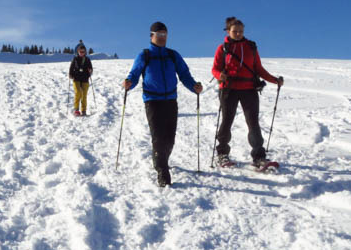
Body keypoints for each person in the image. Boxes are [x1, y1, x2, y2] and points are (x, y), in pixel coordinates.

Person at [122, 22, 203, 187]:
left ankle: (161, 159)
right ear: (151, 36)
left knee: (170, 138)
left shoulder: (173, 55)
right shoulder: (144, 55)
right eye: (159, 35)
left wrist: (194, 86)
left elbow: (184, 74)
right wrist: (129, 82)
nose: (162, 38)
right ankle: (162, 171)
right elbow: (135, 74)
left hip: (171, 100)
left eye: (165, 35)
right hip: (152, 101)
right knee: (158, 137)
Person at [211, 17, 284, 168]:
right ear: (228, 31)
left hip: (249, 89)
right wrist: (220, 76)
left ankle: (259, 157)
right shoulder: (223, 48)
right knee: (227, 121)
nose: (238, 34)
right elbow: (215, 69)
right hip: (228, 89)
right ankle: (222, 154)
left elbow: (258, 69)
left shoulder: (251, 47)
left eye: (241, 31)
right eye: (235, 31)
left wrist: (274, 80)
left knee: (253, 123)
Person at [69, 40, 93, 116]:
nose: (82, 53)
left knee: (84, 95)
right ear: (78, 51)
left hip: (85, 79)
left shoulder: (87, 59)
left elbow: (91, 68)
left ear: (85, 52)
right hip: (76, 78)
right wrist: (70, 74)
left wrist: (90, 71)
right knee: (78, 93)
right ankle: (76, 109)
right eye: (80, 51)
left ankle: (84, 110)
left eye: (83, 51)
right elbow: (71, 68)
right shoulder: (75, 59)